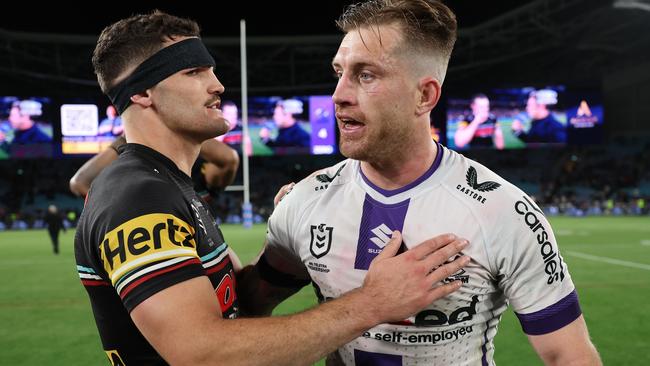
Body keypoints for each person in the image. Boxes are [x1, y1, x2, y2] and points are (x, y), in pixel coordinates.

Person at [74, 10, 469, 365]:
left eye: (210, 70)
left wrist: (292, 237)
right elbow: (203, 353)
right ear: (141, 93)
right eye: (193, 72)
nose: (217, 85)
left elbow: (236, 305)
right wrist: (373, 302)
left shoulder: (169, 186)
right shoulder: (139, 197)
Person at [237, 1, 602, 365]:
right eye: (339, 73)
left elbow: (569, 357)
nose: (339, 95)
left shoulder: (502, 210)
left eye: (366, 75)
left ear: (424, 95)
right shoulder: (306, 201)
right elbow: (247, 307)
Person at [69, 135, 239, 198]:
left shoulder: (200, 174)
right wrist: (127, 138)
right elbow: (80, 182)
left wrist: (178, 130)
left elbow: (229, 159)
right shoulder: (138, 171)